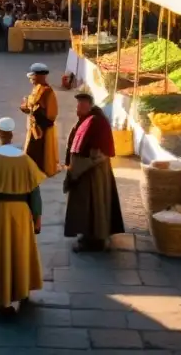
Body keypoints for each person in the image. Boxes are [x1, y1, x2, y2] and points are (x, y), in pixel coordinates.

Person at [0, 117, 45, 317]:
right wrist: (37, 218)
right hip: (22, 213)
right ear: (12, 135)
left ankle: (3, 303)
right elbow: (35, 194)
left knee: (2, 255)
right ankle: (22, 290)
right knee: (20, 252)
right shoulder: (25, 159)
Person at [63, 92, 124, 253]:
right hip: (90, 170)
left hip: (93, 173)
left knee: (93, 206)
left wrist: (76, 170)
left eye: (81, 105)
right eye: (77, 104)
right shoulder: (90, 118)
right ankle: (88, 235)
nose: (78, 108)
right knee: (88, 207)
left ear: (89, 105)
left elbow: (96, 153)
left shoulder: (95, 122)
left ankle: (95, 240)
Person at [19, 63, 59, 177]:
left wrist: (30, 108)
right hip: (34, 126)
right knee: (32, 149)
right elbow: (31, 105)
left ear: (39, 76)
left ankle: (35, 171)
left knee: (37, 151)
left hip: (41, 128)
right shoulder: (37, 88)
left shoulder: (46, 91)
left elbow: (50, 113)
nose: (30, 79)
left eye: (32, 76)